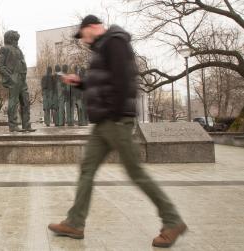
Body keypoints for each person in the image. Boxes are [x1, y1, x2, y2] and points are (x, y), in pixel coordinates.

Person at [48, 15, 187, 248]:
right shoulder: (102, 49)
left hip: (115, 120)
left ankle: (172, 220)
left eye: (83, 35)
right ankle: (74, 223)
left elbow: (124, 80)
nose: (82, 40)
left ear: (92, 28)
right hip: (103, 123)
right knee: (87, 168)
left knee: (135, 173)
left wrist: (114, 113)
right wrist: (80, 82)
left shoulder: (115, 42)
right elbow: (104, 82)